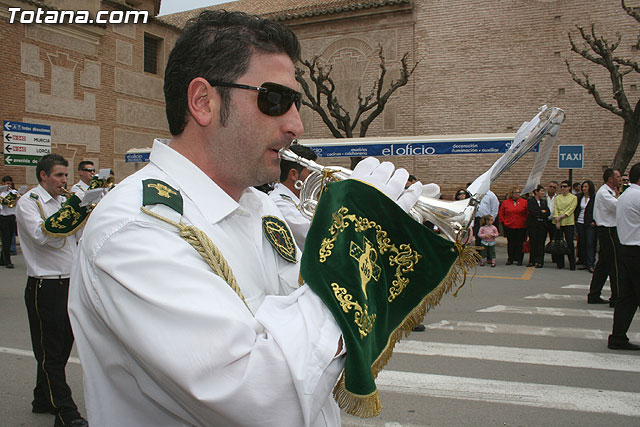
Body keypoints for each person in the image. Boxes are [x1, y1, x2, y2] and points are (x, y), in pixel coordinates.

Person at [68, 11, 421, 426]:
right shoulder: (137, 227)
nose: (296, 125)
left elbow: (312, 321)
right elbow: (262, 397)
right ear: (203, 102)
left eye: (297, 103)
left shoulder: (260, 206)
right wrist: (355, 241)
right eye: (274, 99)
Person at [15, 154, 88, 427]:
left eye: (66, 176)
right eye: (59, 175)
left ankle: (41, 399)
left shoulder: (62, 202)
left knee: (57, 350)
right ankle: (66, 413)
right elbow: (43, 236)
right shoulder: (28, 204)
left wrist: (86, 211)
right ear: (43, 176)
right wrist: (72, 212)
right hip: (44, 286)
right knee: (50, 355)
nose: (64, 181)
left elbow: (79, 237)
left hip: (68, 281)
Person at [608, 163, 640, 350]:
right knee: (628, 296)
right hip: (636, 249)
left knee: (627, 297)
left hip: (626, 248)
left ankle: (618, 337)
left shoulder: (626, 195)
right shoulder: (637, 195)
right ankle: (618, 337)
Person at [269, 143, 316, 251]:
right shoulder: (279, 202)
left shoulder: (302, 199)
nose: (316, 178)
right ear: (294, 174)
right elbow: (312, 233)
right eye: (311, 173)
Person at [588, 168, 622, 305]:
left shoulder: (612, 192)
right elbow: (618, 206)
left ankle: (594, 294)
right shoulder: (604, 192)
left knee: (604, 264)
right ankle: (616, 297)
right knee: (614, 263)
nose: (620, 179)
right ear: (610, 179)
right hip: (607, 229)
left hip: (611, 229)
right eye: (618, 177)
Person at [499, 187, 528, 265]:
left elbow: (527, 213)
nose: (518, 194)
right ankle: (510, 258)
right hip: (509, 225)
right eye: (516, 192)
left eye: (519, 192)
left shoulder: (524, 202)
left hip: (521, 226)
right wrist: (503, 223)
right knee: (511, 243)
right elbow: (501, 213)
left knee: (520, 243)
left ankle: (519, 259)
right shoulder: (506, 202)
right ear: (511, 194)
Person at [553, 180, 578, 270]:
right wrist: (557, 220)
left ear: (569, 187)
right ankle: (560, 263)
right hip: (558, 222)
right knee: (559, 242)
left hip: (568, 222)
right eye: (561, 186)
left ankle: (572, 263)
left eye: (564, 186)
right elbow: (555, 208)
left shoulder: (573, 198)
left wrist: (561, 216)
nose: (563, 188)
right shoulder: (557, 198)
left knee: (569, 242)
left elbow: (571, 209)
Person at [575, 180, 596, 273]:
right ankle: (583, 261)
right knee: (582, 243)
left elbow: (597, 210)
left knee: (590, 243)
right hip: (580, 222)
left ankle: (590, 263)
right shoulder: (579, 197)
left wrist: (594, 221)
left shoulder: (594, 198)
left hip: (589, 223)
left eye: (586, 187)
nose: (584, 188)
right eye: (583, 186)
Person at [526, 185, 549, 268]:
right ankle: (532, 260)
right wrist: (541, 212)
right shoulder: (531, 201)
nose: (542, 193)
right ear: (536, 192)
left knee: (541, 243)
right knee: (533, 243)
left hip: (542, 225)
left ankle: (540, 261)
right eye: (541, 191)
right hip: (533, 225)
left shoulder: (544, 201)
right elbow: (533, 211)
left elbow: (547, 212)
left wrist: (542, 213)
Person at [1, 175, 18, 268]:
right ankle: (7, 261)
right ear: (3, 183)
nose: (8, 185)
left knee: (10, 238)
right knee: (5, 239)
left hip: (12, 217)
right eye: (7, 183)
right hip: (3, 218)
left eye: (10, 183)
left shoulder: (13, 192)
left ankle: (2, 259)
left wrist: (17, 198)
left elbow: (16, 206)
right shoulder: (1, 193)